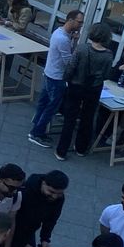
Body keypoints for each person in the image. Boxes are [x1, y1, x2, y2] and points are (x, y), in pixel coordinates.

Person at [54, 22, 112, 160]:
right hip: (94, 89)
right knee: (88, 118)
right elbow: (106, 74)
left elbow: (71, 67)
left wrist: (67, 80)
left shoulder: (81, 49)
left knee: (70, 119)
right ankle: (81, 148)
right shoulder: (108, 55)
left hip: (76, 85)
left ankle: (61, 151)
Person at [28, 10, 82, 147]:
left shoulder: (59, 33)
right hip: (57, 77)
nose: (81, 25)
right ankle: (37, 133)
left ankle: (36, 126)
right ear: (70, 20)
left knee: (43, 102)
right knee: (51, 107)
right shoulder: (63, 39)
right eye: (79, 22)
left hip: (49, 73)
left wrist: (74, 41)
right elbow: (68, 61)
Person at [10, 171, 68, 247]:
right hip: (11, 230)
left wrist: (45, 239)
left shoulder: (58, 199)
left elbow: (51, 219)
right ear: (43, 183)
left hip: (29, 231)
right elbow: (14, 221)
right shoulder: (25, 192)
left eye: (59, 193)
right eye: (51, 192)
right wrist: (21, 245)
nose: (55, 197)